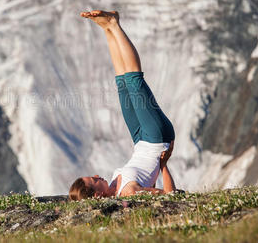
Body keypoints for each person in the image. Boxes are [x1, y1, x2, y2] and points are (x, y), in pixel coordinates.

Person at [69, 10, 177, 200]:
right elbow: (169, 194)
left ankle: (107, 29)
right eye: (93, 181)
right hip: (157, 139)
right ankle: (114, 23)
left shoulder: (112, 185)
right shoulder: (129, 192)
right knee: (134, 80)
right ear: (97, 195)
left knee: (122, 85)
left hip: (139, 140)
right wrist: (163, 165)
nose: (96, 176)